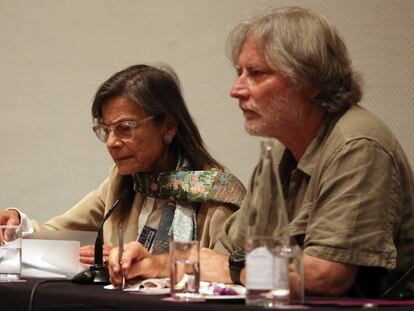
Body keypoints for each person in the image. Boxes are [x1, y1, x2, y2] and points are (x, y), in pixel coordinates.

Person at [108, 7, 414, 298]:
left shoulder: (357, 147)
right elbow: (226, 249)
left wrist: (233, 268)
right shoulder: (283, 151)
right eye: (239, 72)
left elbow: (326, 275)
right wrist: (156, 262)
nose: (236, 89)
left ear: (309, 82)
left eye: (255, 73)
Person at [0, 64, 246, 265]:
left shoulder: (216, 193)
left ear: (168, 126)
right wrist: (14, 223)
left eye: (124, 129)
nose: (111, 142)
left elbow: (227, 276)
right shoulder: (122, 181)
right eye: (105, 130)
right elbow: (57, 230)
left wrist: (152, 267)